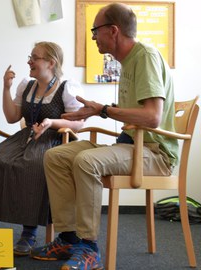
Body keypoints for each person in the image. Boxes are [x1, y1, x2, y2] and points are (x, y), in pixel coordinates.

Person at [31, 3, 177, 270]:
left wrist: (104, 111)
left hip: (155, 153)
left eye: (95, 31)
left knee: (87, 161)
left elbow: (152, 117)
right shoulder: (126, 62)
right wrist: (98, 112)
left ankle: (89, 248)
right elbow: (133, 115)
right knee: (56, 156)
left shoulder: (144, 56)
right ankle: (69, 238)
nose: (93, 36)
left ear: (113, 31)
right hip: (132, 146)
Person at [0, 41, 84, 256]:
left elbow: (78, 123)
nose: (29, 61)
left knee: (33, 165)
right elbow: (12, 117)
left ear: (51, 62)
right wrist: (6, 88)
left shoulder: (66, 87)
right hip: (26, 136)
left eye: (34, 57)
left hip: (53, 139)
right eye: (30, 57)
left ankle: (29, 233)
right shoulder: (27, 86)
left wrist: (51, 122)